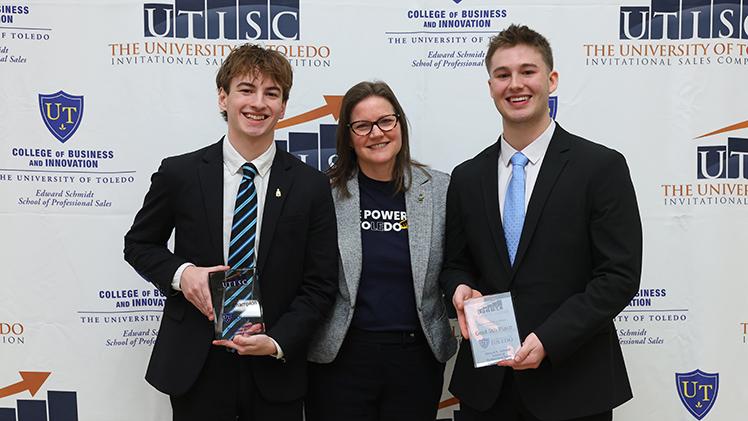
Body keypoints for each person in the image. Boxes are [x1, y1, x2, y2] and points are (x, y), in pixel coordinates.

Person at [123, 44, 338, 421]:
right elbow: (139, 244)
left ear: (284, 107)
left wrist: (276, 341)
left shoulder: (311, 186)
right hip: (196, 362)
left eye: (271, 93)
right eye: (246, 89)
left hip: (275, 366)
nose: (258, 103)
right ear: (223, 98)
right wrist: (181, 274)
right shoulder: (180, 173)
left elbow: (320, 283)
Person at [440, 24, 642, 421]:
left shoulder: (600, 167)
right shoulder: (467, 176)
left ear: (550, 81)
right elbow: (456, 264)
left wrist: (549, 339)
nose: (515, 84)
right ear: (491, 85)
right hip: (487, 390)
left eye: (527, 71)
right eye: (503, 74)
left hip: (573, 384)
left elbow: (618, 276)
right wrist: (459, 289)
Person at [305, 81, 458, 421]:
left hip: (416, 361)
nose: (376, 133)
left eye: (386, 121)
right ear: (348, 136)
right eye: (362, 126)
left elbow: (458, 265)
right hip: (340, 359)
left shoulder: (440, 190)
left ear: (400, 124)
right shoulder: (324, 194)